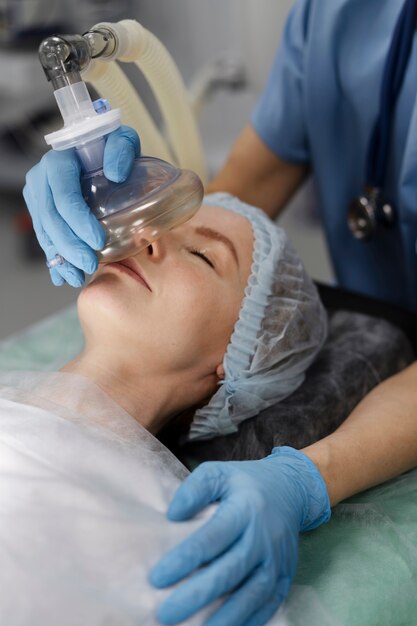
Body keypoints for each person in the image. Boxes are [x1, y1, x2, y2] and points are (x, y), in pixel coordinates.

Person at [22, 1, 417, 624]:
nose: (145, 237)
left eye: (203, 258)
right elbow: (228, 200)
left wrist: (309, 480)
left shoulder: (163, 531)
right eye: (151, 226)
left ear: (233, 371)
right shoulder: (336, 14)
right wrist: (115, 186)